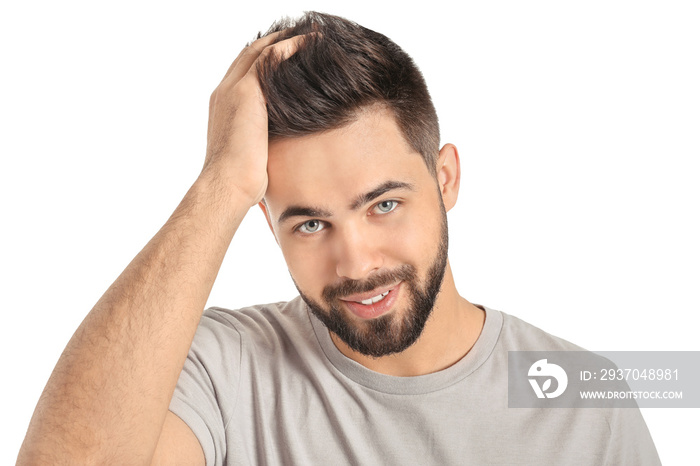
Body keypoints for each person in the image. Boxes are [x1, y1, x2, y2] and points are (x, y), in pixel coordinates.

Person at [17, 12, 660, 465]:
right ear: (268, 226)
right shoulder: (222, 369)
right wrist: (220, 184)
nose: (355, 261)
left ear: (446, 178)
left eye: (383, 204)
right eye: (311, 223)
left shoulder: (586, 397)